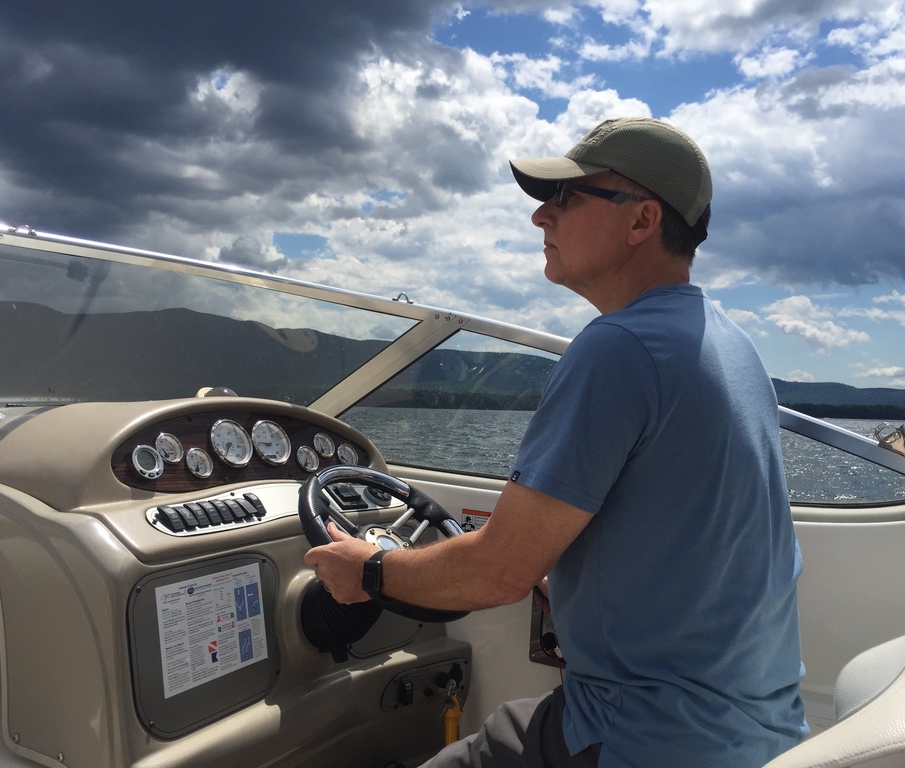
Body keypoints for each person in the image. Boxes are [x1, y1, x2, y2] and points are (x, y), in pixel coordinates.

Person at [305, 117, 809, 767]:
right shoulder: (728, 344)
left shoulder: (619, 348)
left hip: (645, 735)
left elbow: (498, 574)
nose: (542, 215)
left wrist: (367, 570)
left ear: (642, 220)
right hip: (752, 726)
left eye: (567, 196)